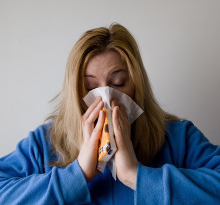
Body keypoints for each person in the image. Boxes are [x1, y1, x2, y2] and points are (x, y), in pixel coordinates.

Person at [0, 24, 220, 205]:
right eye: (90, 87)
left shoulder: (178, 137)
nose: (105, 99)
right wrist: (77, 175)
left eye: (118, 83)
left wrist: (136, 176)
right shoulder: (45, 143)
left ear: (136, 85)